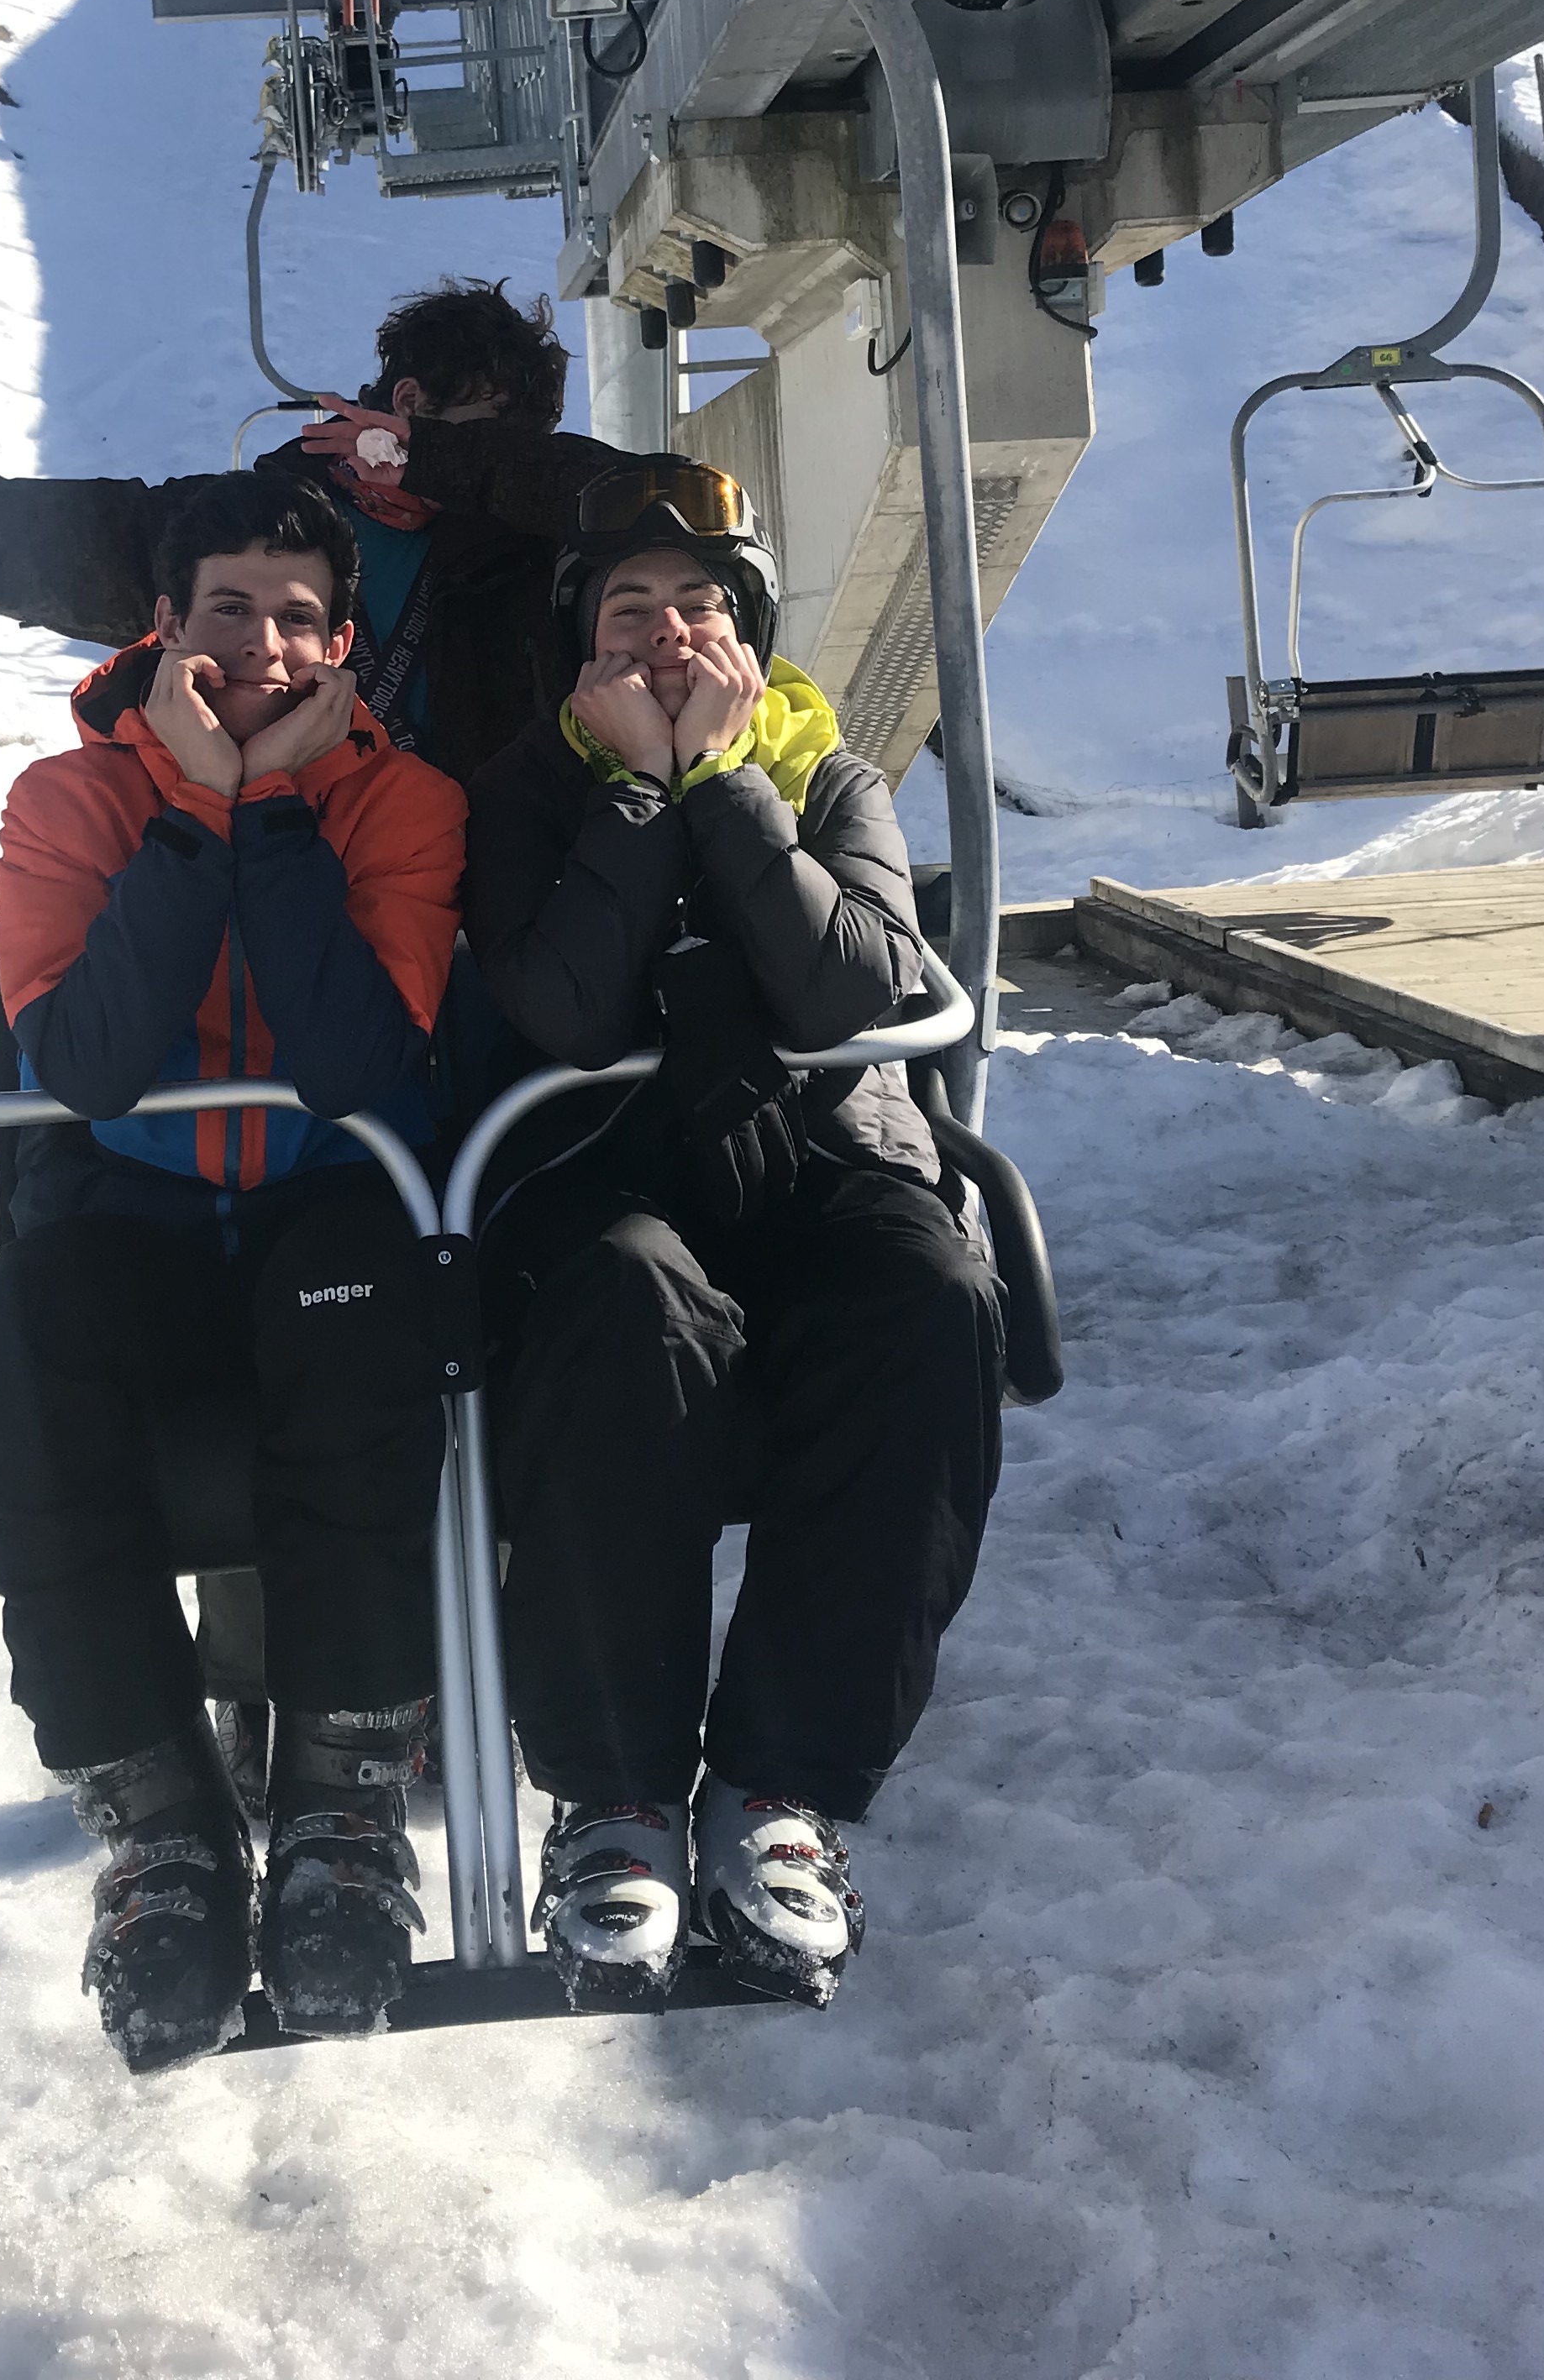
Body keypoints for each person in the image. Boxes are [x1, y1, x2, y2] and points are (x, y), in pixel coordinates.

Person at [0, 470, 466, 2072]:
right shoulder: (66, 802)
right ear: (165, 626)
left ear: (343, 644)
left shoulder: (401, 803)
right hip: (140, 1215)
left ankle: (339, 1807)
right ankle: (157, 1815)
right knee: (13, 1340)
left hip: (330, 1199)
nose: (263, 646)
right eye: (227, 609)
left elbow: (353, 1061)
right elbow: (91, 1063)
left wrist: (279, 812)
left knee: (364, 1323)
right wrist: (190, 812)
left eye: (300, 617)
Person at [462, 459, 1006, 2013]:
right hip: (611, 1167)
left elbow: (852, 988)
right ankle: (616, 1791)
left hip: (822, 1156)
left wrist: (722, 783)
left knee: (926, 1291)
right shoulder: (527, 789)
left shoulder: (828, 778)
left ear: (749, 634)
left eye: (698, 606)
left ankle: (782, 1781)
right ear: (581, 641)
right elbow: (565, 1009)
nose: (663, 636)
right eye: (627, 609)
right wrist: (638, 796)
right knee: (617, 1301)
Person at [0, 277, 623, 786]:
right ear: (406, 401)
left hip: (482, 895)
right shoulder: (259, 525)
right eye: (484, 435)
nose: (499, 471)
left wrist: (455, 465)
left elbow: (667, 504)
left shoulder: (533, 546)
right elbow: (21, 535)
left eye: (516, 455)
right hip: (290, 872)